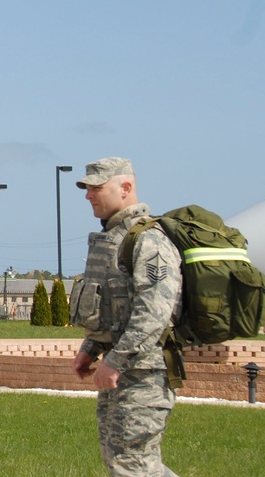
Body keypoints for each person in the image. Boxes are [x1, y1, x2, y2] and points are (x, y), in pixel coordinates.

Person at [70, 157, 182, 477]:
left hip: (146, 373)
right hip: (122, 370)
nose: (88, 195)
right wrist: (90, 348)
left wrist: (114, 361)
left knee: (131, 461)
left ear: (126, 188)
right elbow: (114, 307)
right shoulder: (116, 239)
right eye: (87, 188)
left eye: (96, 188)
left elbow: (154, 312)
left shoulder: (149, 240)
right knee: (123, 459)